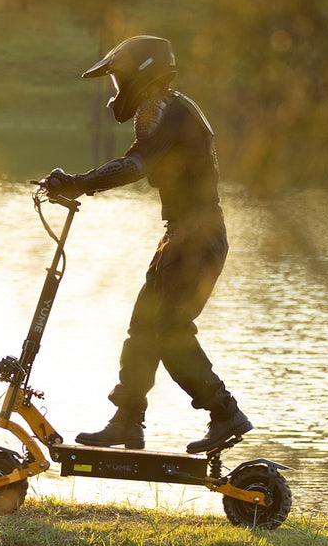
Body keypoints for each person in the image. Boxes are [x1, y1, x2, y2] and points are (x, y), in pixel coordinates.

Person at [40, 34, 252, 456]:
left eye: (119, 79)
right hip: (185, 235)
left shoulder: (164, 110)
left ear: (142, 74)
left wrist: (80, 183)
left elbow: (136, 164)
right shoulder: (173, 106)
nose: (117, 91)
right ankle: (127, 420)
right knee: (144, 327)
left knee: (170, 330)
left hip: (195, 237)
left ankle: (225, 412)